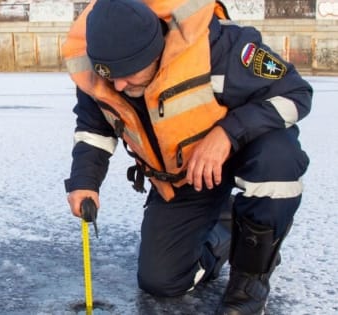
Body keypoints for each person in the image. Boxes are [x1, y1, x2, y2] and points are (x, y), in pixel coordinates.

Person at [63, 0, 312, 314]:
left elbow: (296, 93)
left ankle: (249, 284)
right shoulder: (102, 66)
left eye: (128, 74)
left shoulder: (222, 46)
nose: (119, 86)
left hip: (243, 154)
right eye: (110, 76)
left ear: (156, 50)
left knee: (278, 157)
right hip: (184, 176)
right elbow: (93, 130)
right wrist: (85, 182)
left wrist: (227, 134)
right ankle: (228, 228)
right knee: (161, 282)